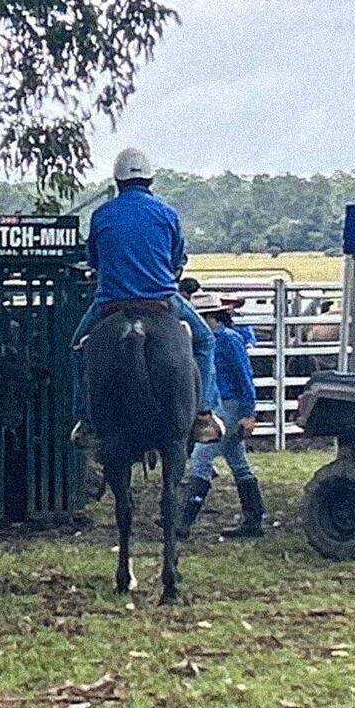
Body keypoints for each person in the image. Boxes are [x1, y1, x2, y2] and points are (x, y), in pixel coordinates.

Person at [70, 148, 223, 445]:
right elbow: (177, 257)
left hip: (110, 302)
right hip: (162, 300)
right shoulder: (167, 214)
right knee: (205, 341)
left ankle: (85, 420)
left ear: (118, 179)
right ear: (150, 180)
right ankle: (203, 414)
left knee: (77, 348)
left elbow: (94, 260)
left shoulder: (101, 215)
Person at [176, 292, 264, 539]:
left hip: (228, 403)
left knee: (202, 457)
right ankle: (253, 517)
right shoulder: (214, 340)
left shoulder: (228, 340)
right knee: (237, 460)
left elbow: (244, 376)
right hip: (220, 403)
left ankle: (183, 520)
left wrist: (248, 412)